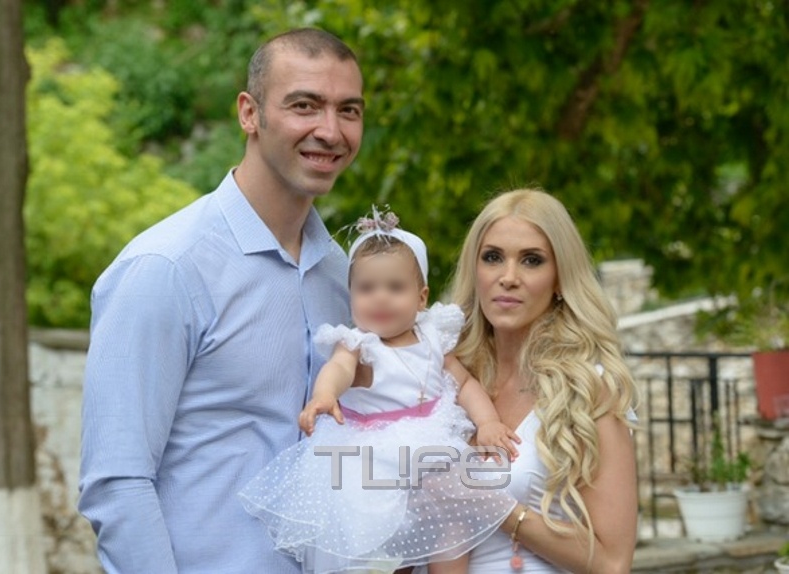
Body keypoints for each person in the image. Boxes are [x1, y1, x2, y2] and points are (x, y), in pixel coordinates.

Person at [78, 28, 365, 573]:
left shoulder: (341, 277)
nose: (330, 131)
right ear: (249, 113)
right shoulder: (166, 268)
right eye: (304, 105)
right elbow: (117, 484)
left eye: (348, 110)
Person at [238, 208, 521, 574]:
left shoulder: (433, 337)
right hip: (374, 458)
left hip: (432, 445)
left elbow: (464, 384)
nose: (380, 298)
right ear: (351, 296)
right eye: (367, 289)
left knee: (453, 521)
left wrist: (487, 422)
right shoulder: (359, 344)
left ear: (421, 297)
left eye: (395, 288)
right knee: (383, 539)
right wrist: (325, 395)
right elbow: (339, 369)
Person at [418, 188, 639, 573]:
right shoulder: (445, 376)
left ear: (560, 278)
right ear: (475, 269)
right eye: (492, 257)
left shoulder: (588, 387)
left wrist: (493, 505)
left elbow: (613, 562)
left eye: (532, 260)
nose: (508, 278)